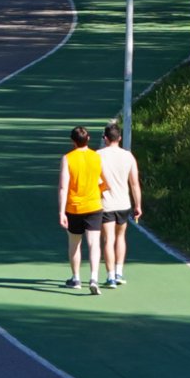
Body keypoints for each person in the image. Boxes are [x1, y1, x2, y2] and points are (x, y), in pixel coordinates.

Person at [56, 125, 106, 293]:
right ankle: (94, 278)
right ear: (88, 139)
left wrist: (61, 211)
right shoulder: (96, 157)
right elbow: (105, 181)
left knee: (74, 243)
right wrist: (98, 192)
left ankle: (76, 277)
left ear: (73, 141)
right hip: (94, 205)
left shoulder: (68, 158)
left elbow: (63, 187)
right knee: (94, 244)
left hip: (74, 207)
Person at [97, 121, 144, 287]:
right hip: (123, 203)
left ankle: (110, 276)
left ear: (105, 138)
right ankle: (119, 272)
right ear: (120, 138)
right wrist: (138, 205)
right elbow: (134, 183)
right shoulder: (128, 156)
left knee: (108, 239)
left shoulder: (98, 155)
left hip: (105, 203)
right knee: (120, 237)